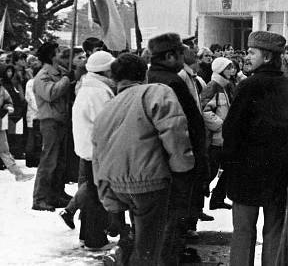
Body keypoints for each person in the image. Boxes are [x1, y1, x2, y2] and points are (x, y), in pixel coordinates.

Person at [93, 53, 195, 266]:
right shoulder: (155, 92)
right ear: (144, 73)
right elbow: (174, 130)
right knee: (152, 247)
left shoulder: (107, 108)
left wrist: (106, 194)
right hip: (152, 181)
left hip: (118, 184)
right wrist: (183, 169)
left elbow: (98, 154)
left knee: (142, 239)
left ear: (115, 78)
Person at [223, 31, 288, 265]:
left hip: (246, 173)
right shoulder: (286, 86)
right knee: (274, 232)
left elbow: (231, 130)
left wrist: (227, 164)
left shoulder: (249, 86)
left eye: (251, 52)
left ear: (268, 57)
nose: (246, 57)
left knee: (243, 232)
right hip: (278, 173)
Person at [146, 33, 208, 263]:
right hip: (176, 158)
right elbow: (179, 125)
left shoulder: (159, 76)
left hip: (167, 157)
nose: (185, 55)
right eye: (181, 52)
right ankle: (170, 255)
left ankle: (173, 251)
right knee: (175, 212)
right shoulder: (169, 82)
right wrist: (192, 158)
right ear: (170, 55)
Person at [59, 51, 116, 251]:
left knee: (92, 192)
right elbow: (106, 122)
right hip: (97, 149)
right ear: (106, 70)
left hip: (89, 148)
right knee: (95, 196)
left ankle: (88, 236)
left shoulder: (90, 87)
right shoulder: (98, 91)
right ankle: (94, 239)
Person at [32, 42, 72, 211]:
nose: (62, 54)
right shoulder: (43, 75)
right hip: (50, 122)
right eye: (58, 51)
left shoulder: (60, 72)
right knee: (49, 160)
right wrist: (65, 80)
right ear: (51, 55)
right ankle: (40, 198)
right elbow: (50, 93)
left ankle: (56, 194)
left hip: (61, 121)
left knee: (60, 161)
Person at [199, 56, 235, 211]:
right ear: (221, 69)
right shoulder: (213, 86)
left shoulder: (226, 86)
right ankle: (198, 207)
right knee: (211, 172)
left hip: (223, 138)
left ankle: (217, 199)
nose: (232, 70)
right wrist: (221, 125)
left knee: (227, 169)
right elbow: (205, 110)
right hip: (216, 138)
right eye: (229, 68)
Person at [24, 55, 42, 168]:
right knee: (32, 137)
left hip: (41, 114)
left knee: (38, 138)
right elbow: (31, 99)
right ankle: (30, 160)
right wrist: (41, 109)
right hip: (34, 114)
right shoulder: (31, 83)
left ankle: (37, 158)